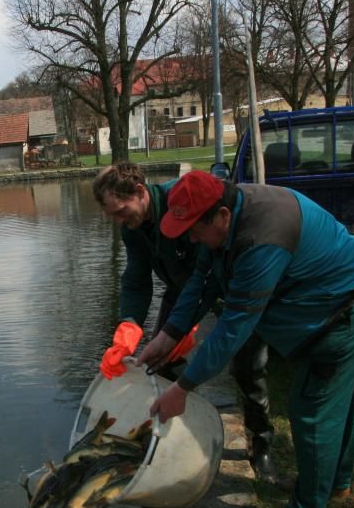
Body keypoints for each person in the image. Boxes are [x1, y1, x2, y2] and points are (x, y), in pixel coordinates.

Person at [140, 170, 354, 508]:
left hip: (348, 309)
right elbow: (201, 282)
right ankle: (336, 482)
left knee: (313, 409)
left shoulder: (261, 240)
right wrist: (167, 336)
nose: (191, 238)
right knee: (337, 400)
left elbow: (234, 326)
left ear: (221, 216)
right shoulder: (223, 219)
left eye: (194, 230)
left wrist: (183, 387)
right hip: (337, 304)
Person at [92, 162, 280, 484]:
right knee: (158, 365)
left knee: (248, 366)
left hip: (227, 287)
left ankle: (261, 447)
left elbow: (206, 274)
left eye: (121, 211)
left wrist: (186, 326)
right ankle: (167, 439)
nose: (120, 221)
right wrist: (128, 327)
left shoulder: (182, 203)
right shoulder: (132, 229)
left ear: (140, 192)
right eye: (113, 216)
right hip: (181, 294)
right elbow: (136, 280)